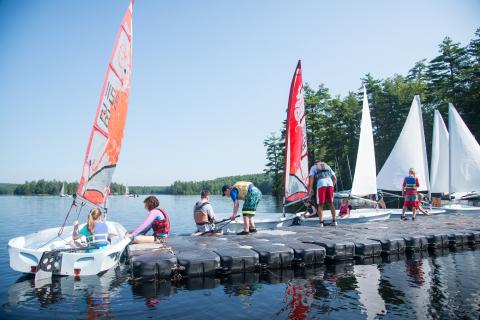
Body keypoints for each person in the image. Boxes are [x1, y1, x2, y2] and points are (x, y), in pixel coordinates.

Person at [308, 159, 337, 227]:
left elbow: (311, 178)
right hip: (330, 183)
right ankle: (334, 221)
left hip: (321, 184)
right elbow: (335, 178)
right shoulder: (327, 166)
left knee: (320, 204)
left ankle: (321, 223)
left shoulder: (314, 167)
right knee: (331, 203)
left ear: (315, 163)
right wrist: (333, 186)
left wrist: (311, 188)